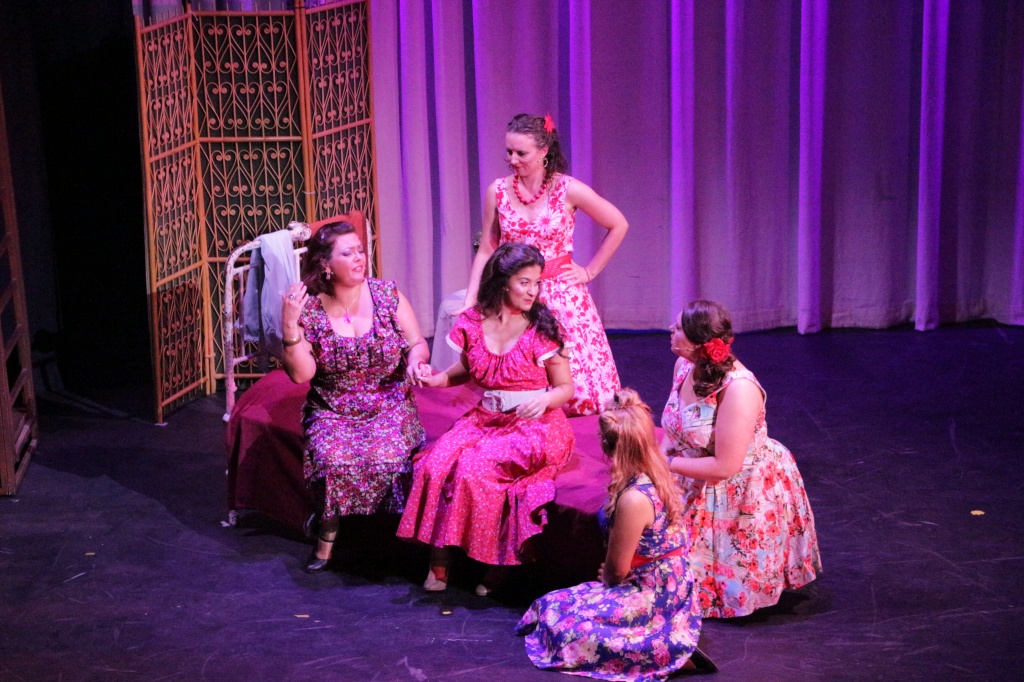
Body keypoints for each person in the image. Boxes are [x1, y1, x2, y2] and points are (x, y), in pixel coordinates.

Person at [397, 243, 575, 595]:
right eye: (524, 282)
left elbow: (565, 388)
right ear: (503, 282)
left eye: (537, 283)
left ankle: (496, 565)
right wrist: (436, 379)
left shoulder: (540, 328)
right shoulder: (473, 322)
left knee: (474, 469)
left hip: (534, 426)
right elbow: (466, 370)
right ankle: (439, 562)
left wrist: (544, 400)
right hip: (485, 419)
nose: (533, 291)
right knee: (434, 464)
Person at [516, 388, 714, 680]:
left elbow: (617, 571)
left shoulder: (634, 497)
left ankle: (667, 651)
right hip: (662, 579)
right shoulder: (658, 471)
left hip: (652, 592)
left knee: (564, 626)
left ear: (608, 446)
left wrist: (610, 576)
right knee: (550, 604)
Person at [281, 221, 427, 573]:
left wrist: (415, 362)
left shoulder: (387, 295)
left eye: (360, 250)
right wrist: (289, 326)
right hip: (333, 409)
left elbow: (417, 343)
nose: (360, 258)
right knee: (332, 459)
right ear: (326, 265)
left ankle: (403, 540)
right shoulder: (309, 309)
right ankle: (326, 535)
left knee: (392, 456)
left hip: (389, 404)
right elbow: (301, 375)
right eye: (348, 253)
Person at [662, 300, 821, 617]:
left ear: (698, 341)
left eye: (678, 327)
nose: (670, 329)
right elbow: (674, 424)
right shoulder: (684, 366)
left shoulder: (739, 389)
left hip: (735, 488)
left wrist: (662, 465)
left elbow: (725, 466)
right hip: (691, 473)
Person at [461, 113, 628, 416]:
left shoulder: (568, 188)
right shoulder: (497, 191)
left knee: (582, 394)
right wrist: (472, 297)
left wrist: (589, 271)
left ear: (543, 151)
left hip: (562, 296)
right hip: (516, 297)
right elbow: (487, 247)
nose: (512, 159)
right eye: (509, 151)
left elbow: (618, 224)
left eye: (521, 153)